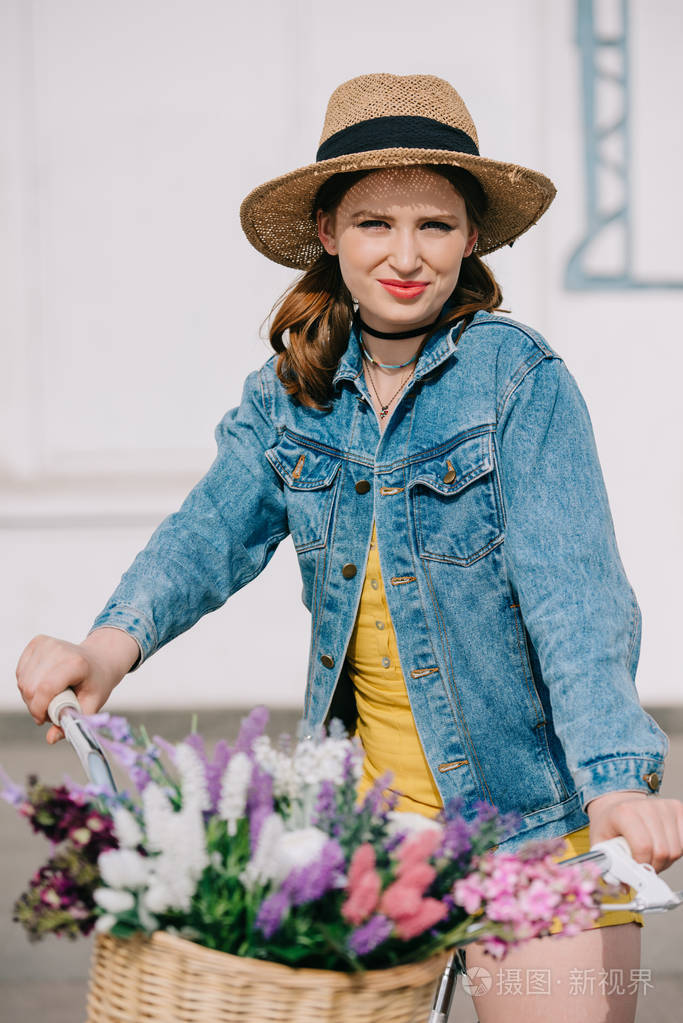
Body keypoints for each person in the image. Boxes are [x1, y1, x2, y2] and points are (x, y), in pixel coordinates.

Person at [16, 73, 683, 1020]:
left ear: (473, 236)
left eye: (436, 226)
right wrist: (102, 646)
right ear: (328, 232)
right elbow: (208, 535)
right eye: (374, 223)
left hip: (535, 826)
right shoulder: (292, 389)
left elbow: (575, 599)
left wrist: (616, 786)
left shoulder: (516, 381)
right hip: (368, 835)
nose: (406, 255)